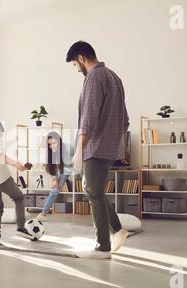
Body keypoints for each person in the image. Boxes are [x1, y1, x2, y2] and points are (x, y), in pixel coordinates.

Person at [67, 41, 130, 259]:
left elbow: (89, 117)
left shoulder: (93, 78)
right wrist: (119, 145)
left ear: (82, 58)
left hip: (96, 146)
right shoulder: (114, 77)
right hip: (110, 146)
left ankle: (103, 247)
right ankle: (118, 229)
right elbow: (125, 120)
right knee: (95, 191)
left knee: (93, 193)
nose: (77, 70)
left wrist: (79, 149)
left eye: (76, 65)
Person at [36, 132, 74, 221]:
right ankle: (43, 213)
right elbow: (56, 168)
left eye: (54, 143)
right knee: (54, 190)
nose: (52, 146)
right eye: (50, 144)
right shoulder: (53, 152)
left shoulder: (68, 148)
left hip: (76, 165)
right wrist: (55, 180)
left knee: (89, 190)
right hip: (65, 168)